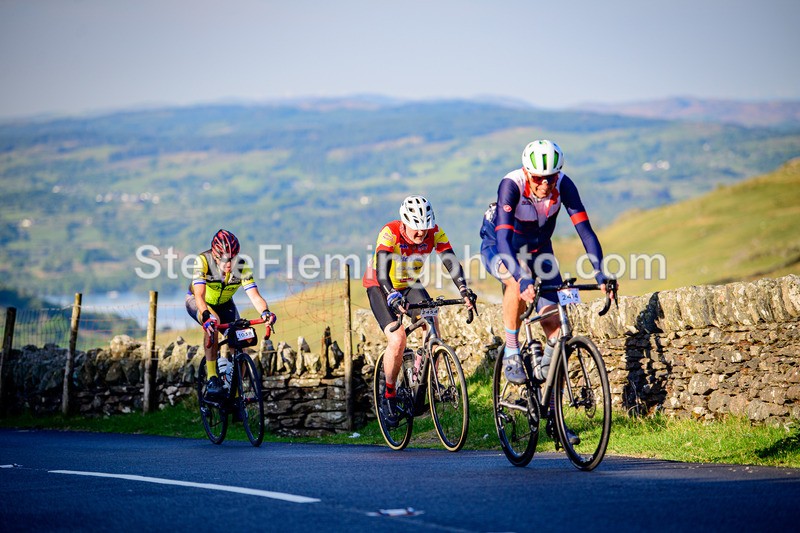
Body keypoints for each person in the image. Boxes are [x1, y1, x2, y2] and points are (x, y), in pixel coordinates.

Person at [480, 140, 614, 444]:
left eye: (550, 177)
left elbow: (585, 231)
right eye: (538, 177)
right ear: (527, 172)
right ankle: (512, 350)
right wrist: (521, 278)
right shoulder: (511, 185)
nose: (544, 184)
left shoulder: (564, 185)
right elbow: (503, 240)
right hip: (500, 245)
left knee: (556, 330)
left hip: (540, 250)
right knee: (515, 279)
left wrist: (601, 273)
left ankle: (554, 415)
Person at [364, 195, 476, 427]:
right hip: (381, 286)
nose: (421, 233)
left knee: (431, 321)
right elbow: (382, 273)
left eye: (425, 228)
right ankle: (389, 395)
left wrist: (464, 290)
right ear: (405, 222)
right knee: (397, 339)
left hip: (408, 284)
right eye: (416, 229)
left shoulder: (435, 232)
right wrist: (391, 295)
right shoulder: (390, 232)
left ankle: (424, 380)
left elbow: (451, 262)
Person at [185, 229, 276, 398]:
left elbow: (255, 296)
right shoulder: (203, 261)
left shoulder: (241, 266)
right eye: (225, 259)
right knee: (214, 323)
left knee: (241, 341)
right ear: (215, 255)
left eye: (233, 258)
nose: (230, 263)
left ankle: (235, 393)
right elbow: (199, 295)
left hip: (225, 304)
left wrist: (265, 312)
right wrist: (206, 316)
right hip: (199, 302)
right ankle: (212, 377)